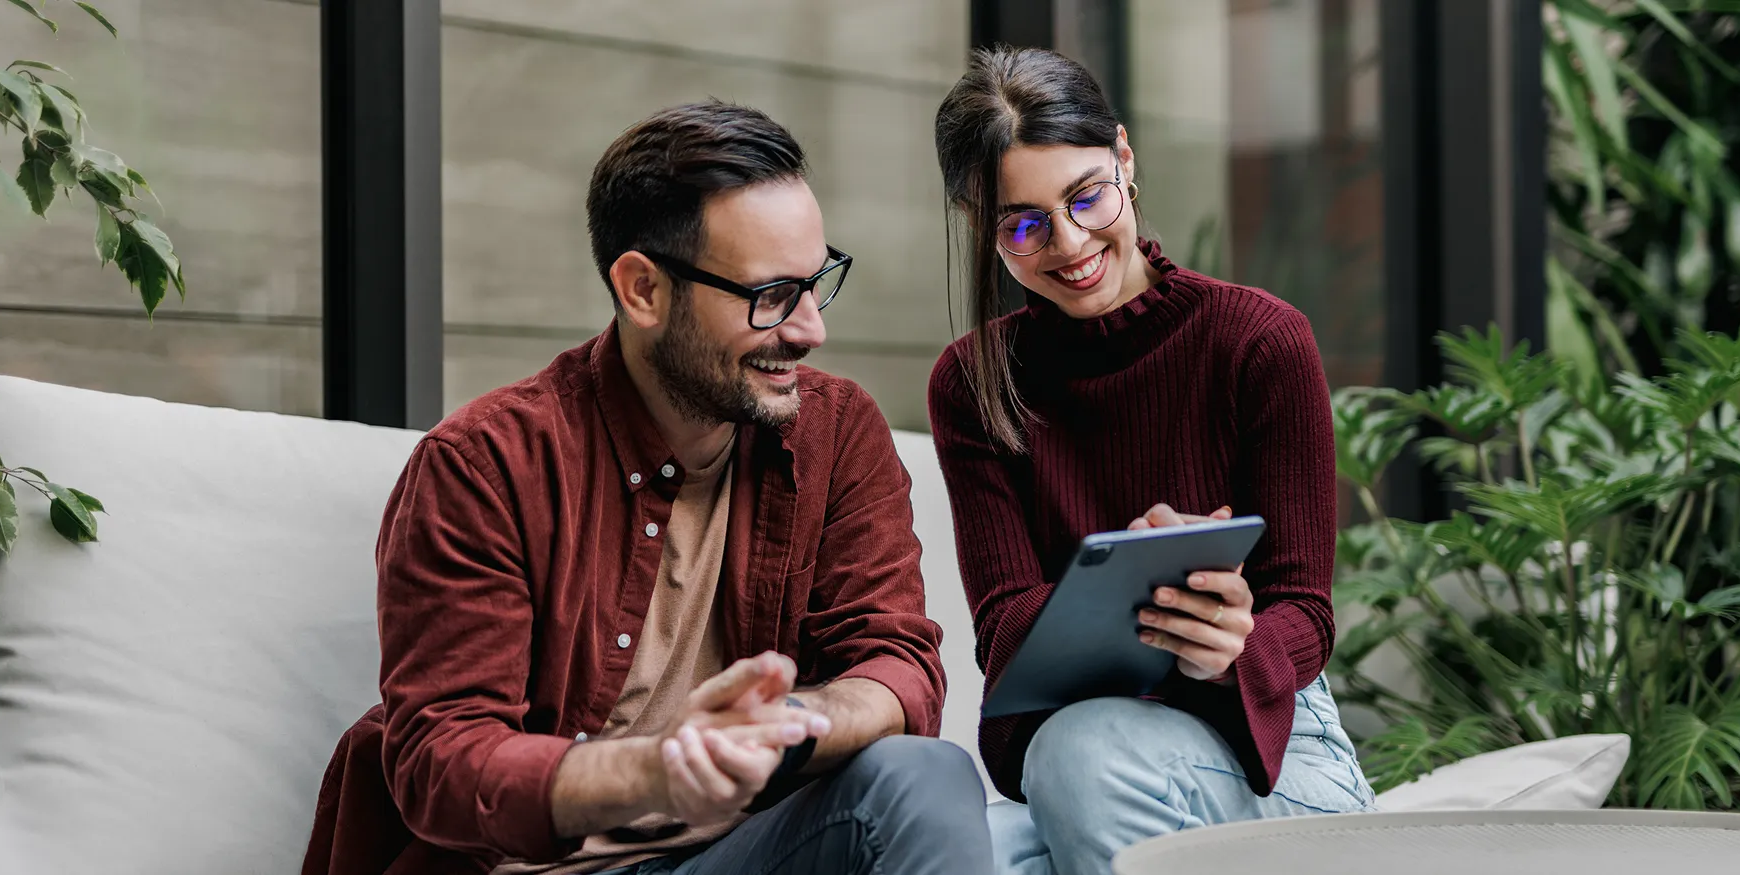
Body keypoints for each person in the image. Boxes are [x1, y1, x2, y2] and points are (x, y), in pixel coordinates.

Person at [302, 100, 992, 875]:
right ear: (643, 289)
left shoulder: (836, 434)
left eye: (816, 281)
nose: (808, 328)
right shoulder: (485, 465)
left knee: (921, 776)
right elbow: (445, 762)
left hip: (737, 853)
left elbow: (896, 661)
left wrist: (786, 725)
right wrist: (662, 768)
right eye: (770, 295)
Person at [927, 47, 1375, 875]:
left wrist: (1232, 643)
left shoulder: (1259, 342)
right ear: (978, 226)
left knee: (1079, 751)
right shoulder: (973, 383)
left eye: (1087, 196)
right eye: (1022, 224)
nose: (1069, 244)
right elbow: (1001, 630)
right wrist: (1121, 584)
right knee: (962, 852)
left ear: (1125, 159)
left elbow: (1304, 614)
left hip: (1269, 748)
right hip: (1083, 740)